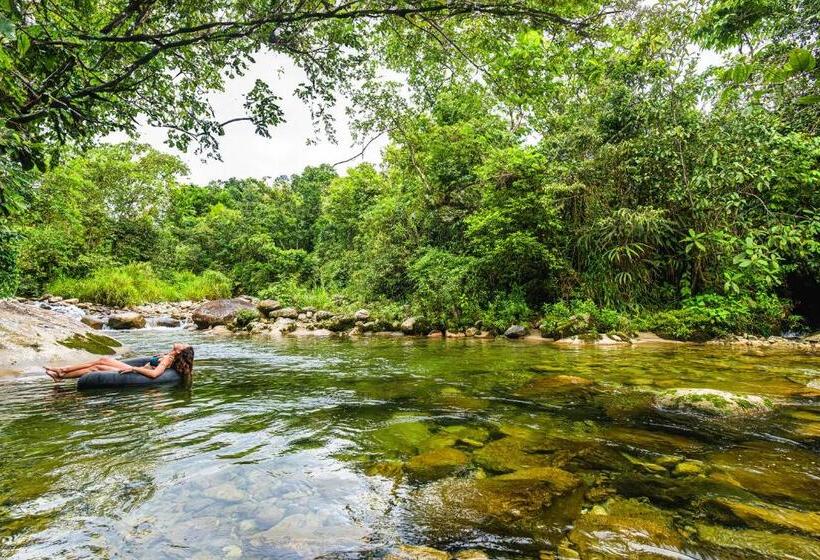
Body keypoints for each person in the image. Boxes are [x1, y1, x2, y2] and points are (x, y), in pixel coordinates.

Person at [45, 343, 194, 382]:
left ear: (180, 351)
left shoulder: (169, 359)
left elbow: (155, 374)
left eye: (184, 344)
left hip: (137, 371)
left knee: (98, 367)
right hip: (138, 368)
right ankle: (62, 371)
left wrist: (135, 370)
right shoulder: (169, 354)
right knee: (102, 360)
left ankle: (61, 374)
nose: (182, 342)